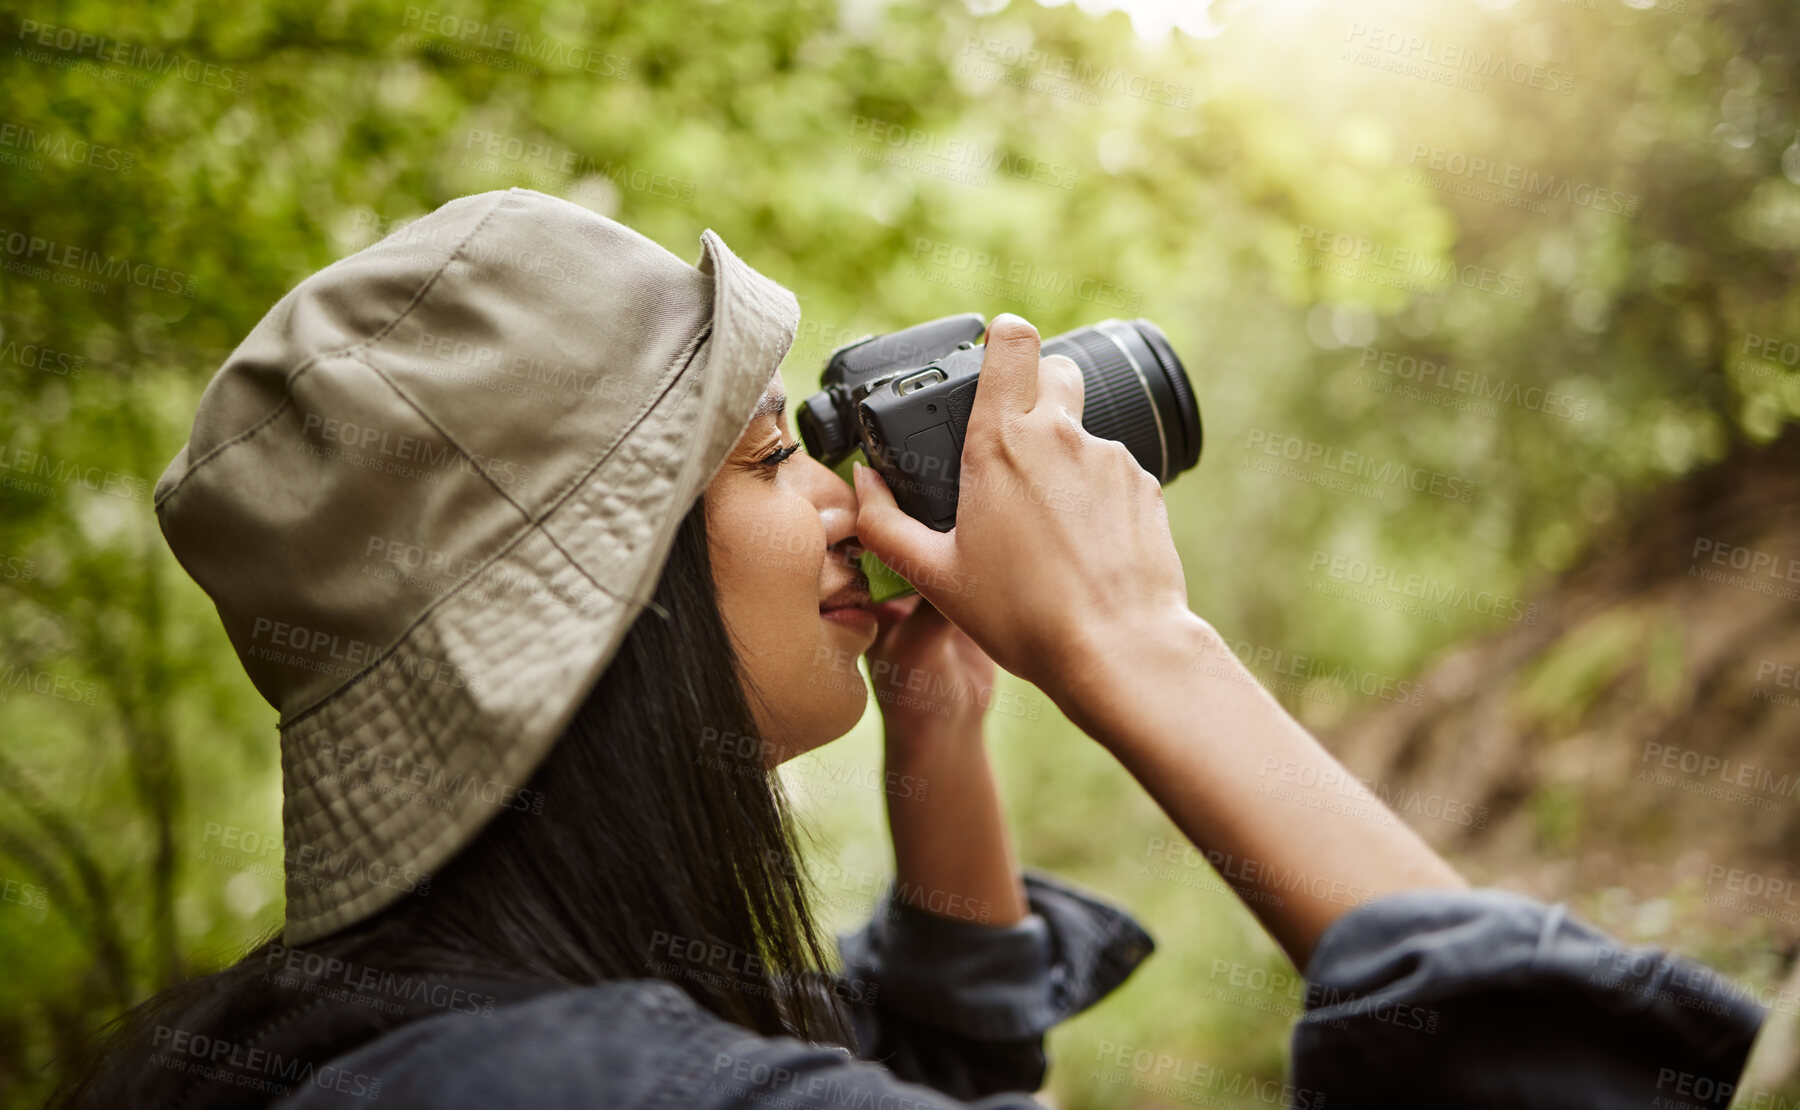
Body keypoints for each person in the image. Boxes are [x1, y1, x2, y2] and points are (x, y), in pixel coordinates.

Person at [56, 190, 1764, 1109]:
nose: (836, 495)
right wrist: (1142, 644)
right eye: (765, 456)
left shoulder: (370, 1039)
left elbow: (928, 1071)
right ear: (609, 609)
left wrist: (938, 713)